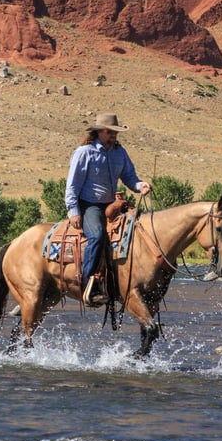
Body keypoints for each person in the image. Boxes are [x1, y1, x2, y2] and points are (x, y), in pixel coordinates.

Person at [65, 113, 151, 305]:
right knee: (96, 236)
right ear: (100, 132)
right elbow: (72, 185)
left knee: (137, 232)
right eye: (111, 131)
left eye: (115, 132)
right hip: (89, 205)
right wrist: (74, 212)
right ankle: (88, 283)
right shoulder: (84, 153)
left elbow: (130, 177)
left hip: (112, 204)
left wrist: (141, 186)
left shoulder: (119, 152)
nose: (114, 135)